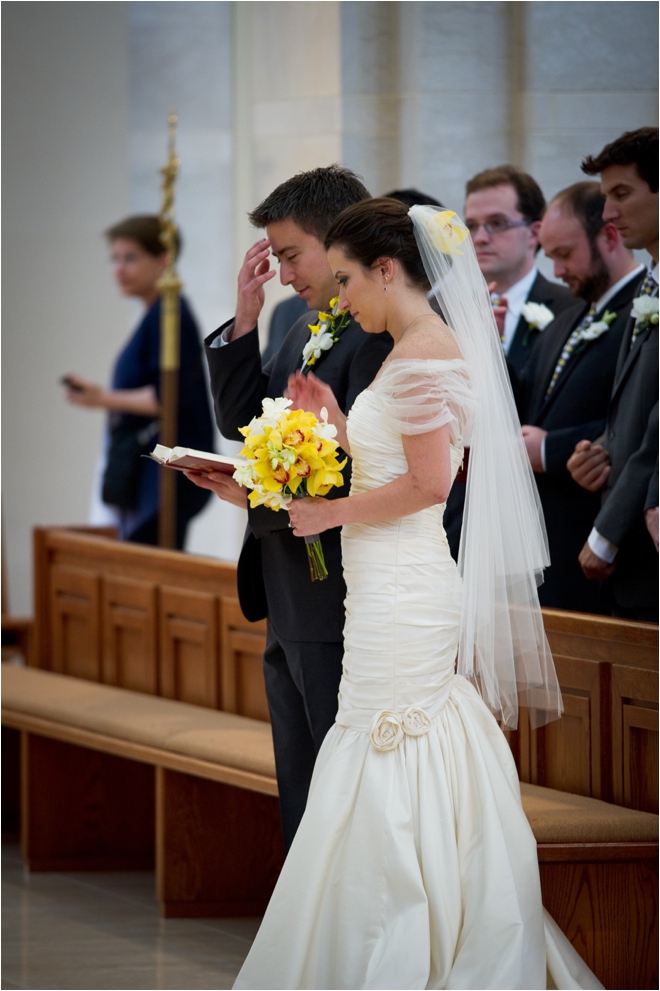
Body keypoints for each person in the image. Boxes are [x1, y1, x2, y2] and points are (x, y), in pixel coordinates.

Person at [232, 200, 602, 990]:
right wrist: (334, 422)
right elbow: (394, 457)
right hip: (379, 583)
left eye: (346, 279)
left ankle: (410, 937)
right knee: (377, 743)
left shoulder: (427, 352)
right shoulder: (404, 349)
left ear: (388, 269)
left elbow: (431, 483)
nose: (341, 297)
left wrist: (328, 510)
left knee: (392, 745)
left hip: (405, 587)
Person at [190, 166, 393, 850]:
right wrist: (243, 322)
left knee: (330, 780)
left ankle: (334, 927)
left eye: (288, 255)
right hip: (284, 584)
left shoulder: (374, 338)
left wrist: (254, 491)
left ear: (337, 239)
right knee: (299, 774)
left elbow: (361, 471)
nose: (280, 274)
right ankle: (309, 931)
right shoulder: (304, 322)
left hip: (330, 581)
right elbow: (244, 423)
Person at [514, 182, 644, 613]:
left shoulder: (643, 314)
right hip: (550, 541)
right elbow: (532, 399)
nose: (556, 270)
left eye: (565, 255)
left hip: (607, 538)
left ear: (609, 236)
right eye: (549, 256)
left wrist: (550, 448)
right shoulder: (565, 319)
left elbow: (637, 420)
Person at [443, 165, 575, 560]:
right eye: (472, 225)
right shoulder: (438, 315)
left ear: (534, 232)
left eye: (497, 224)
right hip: (456, 515)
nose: (480, 237)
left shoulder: (570, 309)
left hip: (539, 519)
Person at [64, 215, 213, 547]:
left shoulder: (169, 314)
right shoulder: (155, 315)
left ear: (163, 261)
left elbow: (167, 397)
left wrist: (101, 398)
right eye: (115, 259)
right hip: (148, 473)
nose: (119, 269)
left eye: (130, 258)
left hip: (162, 474)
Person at [568, 127, 659, 621]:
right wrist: (600, 450)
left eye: (622, 194)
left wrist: (605, 534)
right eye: (605, 197)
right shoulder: (652, 281)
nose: (608, 214)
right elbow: (637, 408)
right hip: (632, 560)